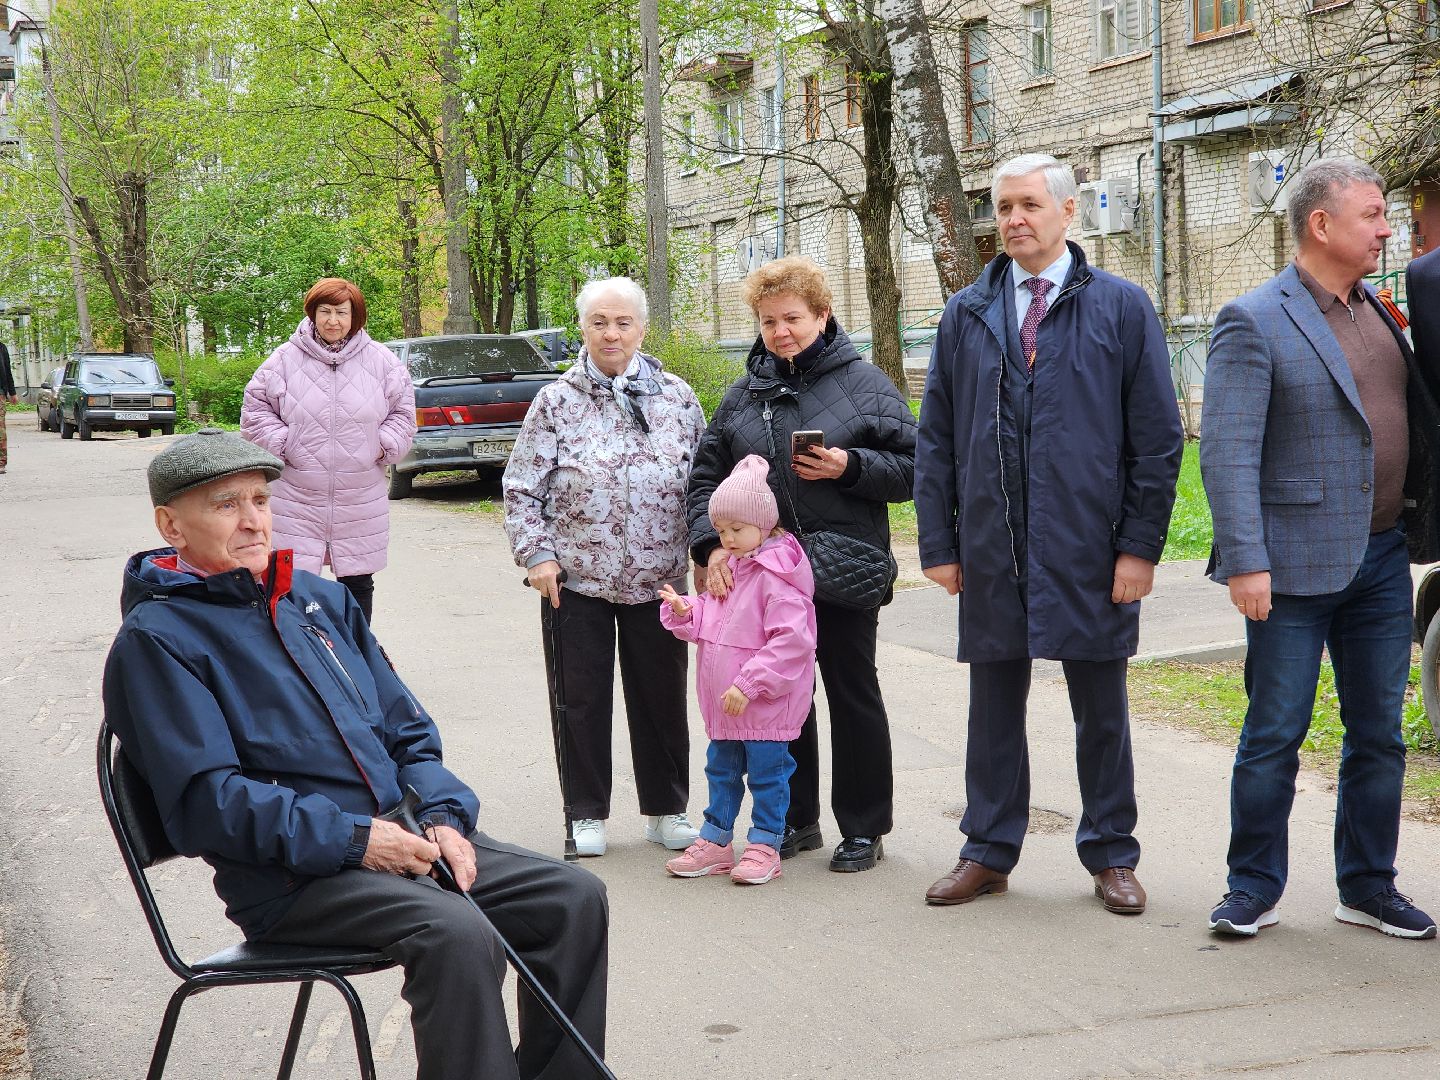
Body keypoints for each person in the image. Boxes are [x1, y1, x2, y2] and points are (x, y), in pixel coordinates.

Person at [102, 428, 608, 1080]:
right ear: (171, 525)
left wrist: (445, 819)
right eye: (226, 505)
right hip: (293, 879)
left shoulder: (319, 601)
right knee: (457, 935)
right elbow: (209, 805)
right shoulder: (157, 641)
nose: (254, 520)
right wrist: (357, 840)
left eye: (260, 500)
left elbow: (409, 737)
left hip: (401, 839)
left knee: (570, 899)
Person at [914, 153, 1182, 914]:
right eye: (1003, 208)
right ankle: (988, 851)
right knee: (992, 706)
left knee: (1101, 708)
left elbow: (1158, 440)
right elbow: (936, 434)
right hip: (996, 544)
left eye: (1029, 204)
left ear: (1068, 211)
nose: (1013, 220)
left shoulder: (1122, 308)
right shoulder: (967, 311)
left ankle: (1111, 853)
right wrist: (941, 543)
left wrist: (1138, 547)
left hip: (1091, 546)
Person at [1201, 157, 1440, 939]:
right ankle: (1252, 887)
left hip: (1378, 559)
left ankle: (1367, 885)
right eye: (1372, 215)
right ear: (1322, 224)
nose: (1387, 228)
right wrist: (1245, 561)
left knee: (1379, 733)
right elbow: (1227, 451)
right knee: (1274, 733)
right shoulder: (1254, 317)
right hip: (1290, 567)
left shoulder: (1379, 309)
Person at [687, 256, 916, 873]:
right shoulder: (742, 397)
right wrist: (709, 548)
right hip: (760, 582)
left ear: (822, 315)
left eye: (793, 318)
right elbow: (704, 479)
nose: (782, 331)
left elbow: (917, 469)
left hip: (840, 569)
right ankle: (795, 819)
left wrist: (853, 467)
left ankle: (865, 827)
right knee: (781, 697)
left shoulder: (866, 384)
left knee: (852, 691)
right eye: (769, 322)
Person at [503, 277, 704, 858]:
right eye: (598, 323)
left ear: (641, 328)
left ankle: (666, 809)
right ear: (583, 329)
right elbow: (521, 490)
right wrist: (537, 556)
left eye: (622, 323)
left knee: (661, 697)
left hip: (659, 581)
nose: (610, 333)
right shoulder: (555, 401)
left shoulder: (677, 397)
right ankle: (584, 814)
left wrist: (710, 549)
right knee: (580, 699)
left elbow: (702, 484)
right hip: (576, 580)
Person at [658, 455, 817, 886]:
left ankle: (765, 843)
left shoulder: (777, 576)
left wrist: (749, 683)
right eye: (722, 531)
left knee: (768, 775)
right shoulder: (728, 568)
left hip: (763, 705)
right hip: (725, 705)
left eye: (736, 530)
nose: (726, 539)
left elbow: (793, 641)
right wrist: (685, 610)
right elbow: (714, 619)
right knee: (721, 771)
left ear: (764, 524)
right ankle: (716, 841)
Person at [241, 277, 415, 623]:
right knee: (291, 584)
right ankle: (297, 662)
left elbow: (403, 414)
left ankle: (357, 660)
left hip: (359, 494)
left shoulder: (382, 362)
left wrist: (383, 445)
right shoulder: (284, 360)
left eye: (341, 312)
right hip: (296, 494)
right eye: (325, 311)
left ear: (355, 317)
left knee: (358, 583)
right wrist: (283, 443)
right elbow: (255, 409)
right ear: (312, 314)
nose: (333, 320)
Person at [0, 338, 15, 475]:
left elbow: (7, 371)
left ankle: (1, 461)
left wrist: (12, 392)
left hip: (0, 393)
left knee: (0, 428)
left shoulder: (2, 348)